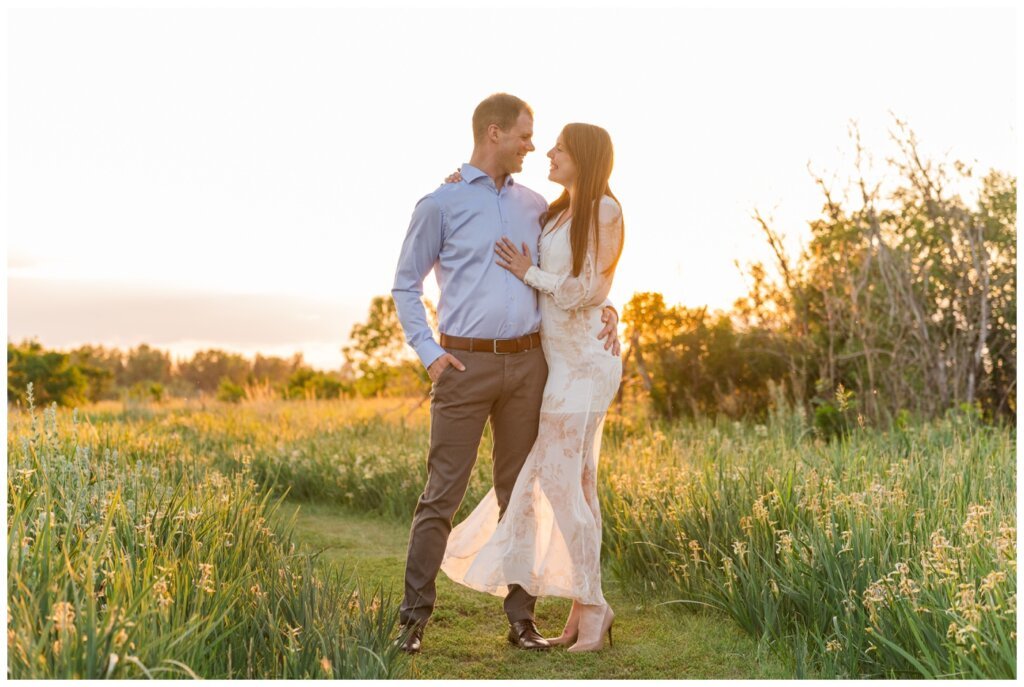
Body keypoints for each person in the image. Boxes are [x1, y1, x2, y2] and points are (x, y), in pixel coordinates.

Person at [391, 93, 620, 655]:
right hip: (463, 365)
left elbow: (578, 266)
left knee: (519, 493)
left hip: (532, 366)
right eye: (524, 135)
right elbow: (405, 285)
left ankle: (522, 623)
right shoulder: (439, 203)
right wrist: (428, 351)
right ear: (493, 133)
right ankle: (413, 621)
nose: (533, 145)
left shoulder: (539, 203)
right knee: (440, 494)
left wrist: (608, 310)